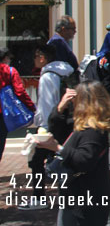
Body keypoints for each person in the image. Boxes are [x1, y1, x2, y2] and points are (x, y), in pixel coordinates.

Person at [35, 81, 110, 226]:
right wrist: (60, 108)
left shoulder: (93, 131)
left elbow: (85, 160)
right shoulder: (83, 125)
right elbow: (57, 130)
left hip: (88, 199)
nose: (74, 104)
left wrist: (58, 149)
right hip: (76, 196)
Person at [19, 44, 74, 210]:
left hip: (52, 124)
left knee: (36, 160)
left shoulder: (47, 76)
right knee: (65, 159)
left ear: (42, 57)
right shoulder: (67, 71)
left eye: (36, 57)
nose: (35, 60)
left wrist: (42, 128)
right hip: (68, 123)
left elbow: (46, 105)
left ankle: (39, 199)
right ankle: (68, 197)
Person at [0, 59, 36, 162]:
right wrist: (31, 106)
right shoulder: (10, 71)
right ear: (5, 58)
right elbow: (20, 91)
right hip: (4, 112)